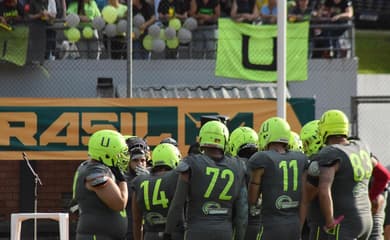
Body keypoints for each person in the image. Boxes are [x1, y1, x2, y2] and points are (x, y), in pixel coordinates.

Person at [164, 120, 248, 240]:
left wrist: (168, 232)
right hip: (224, 232)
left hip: (197, 230)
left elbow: (177, 204)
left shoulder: (191, 162)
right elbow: (242, 213)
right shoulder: (237, 166)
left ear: (202, 138)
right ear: (225, 139)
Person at [315, 109, 390, 239]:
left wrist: (329, 220)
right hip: (366, 220)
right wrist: (370, 197)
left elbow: (323, 189)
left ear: (325, 129)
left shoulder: (331, 152)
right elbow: (384, 175)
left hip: (346, 222)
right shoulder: (361, 147)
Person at [248, 117, 307, 240]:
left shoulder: (262, 158)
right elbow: (304, 199)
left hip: (271, 226)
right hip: (294, 226)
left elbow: (252, 198)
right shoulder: (301, 158)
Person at [72, 129, 129, 239]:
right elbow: (119, 203)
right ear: (106, 153)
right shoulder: (95, 172)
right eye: (119, 153)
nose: (123, 156)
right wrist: (122, 180)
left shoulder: (94, 168)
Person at [132, 143, 183, 240]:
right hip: (175, 234)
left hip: (151, 235)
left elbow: (136, 220)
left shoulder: (139, 181)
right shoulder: (178, 178)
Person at [228, 126, 259, 240]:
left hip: (241, 228)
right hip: (267, 228)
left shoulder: (235, 168)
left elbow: (241, 212)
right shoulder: (266, 165)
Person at [298, 120, 323, 240]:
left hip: (320, 221)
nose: (305, 147)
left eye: (307, 142)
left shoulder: (316, 163)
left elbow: (306, 199)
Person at [124, 136, 150, 240]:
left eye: (143, 160)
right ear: (128, 161)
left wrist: (149, 179)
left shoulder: (152, 176)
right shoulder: (121, 179)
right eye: (135, 160)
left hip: (149, 233)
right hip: (127, 233)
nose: (140, 164)